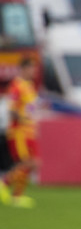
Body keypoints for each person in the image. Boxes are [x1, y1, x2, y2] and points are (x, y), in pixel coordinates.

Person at [0, 57, 40, 208]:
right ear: (23, 69)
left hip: (30, 131)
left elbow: (30, 108)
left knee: (33, 164)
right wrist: (22, 119)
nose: (33, 71)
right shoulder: (16, 86)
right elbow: (12, 109)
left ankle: (17, 195)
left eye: (34, 68)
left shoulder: (30, 86)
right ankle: (5, 184)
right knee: (27, 162)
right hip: (19, 132)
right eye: (31, 68)